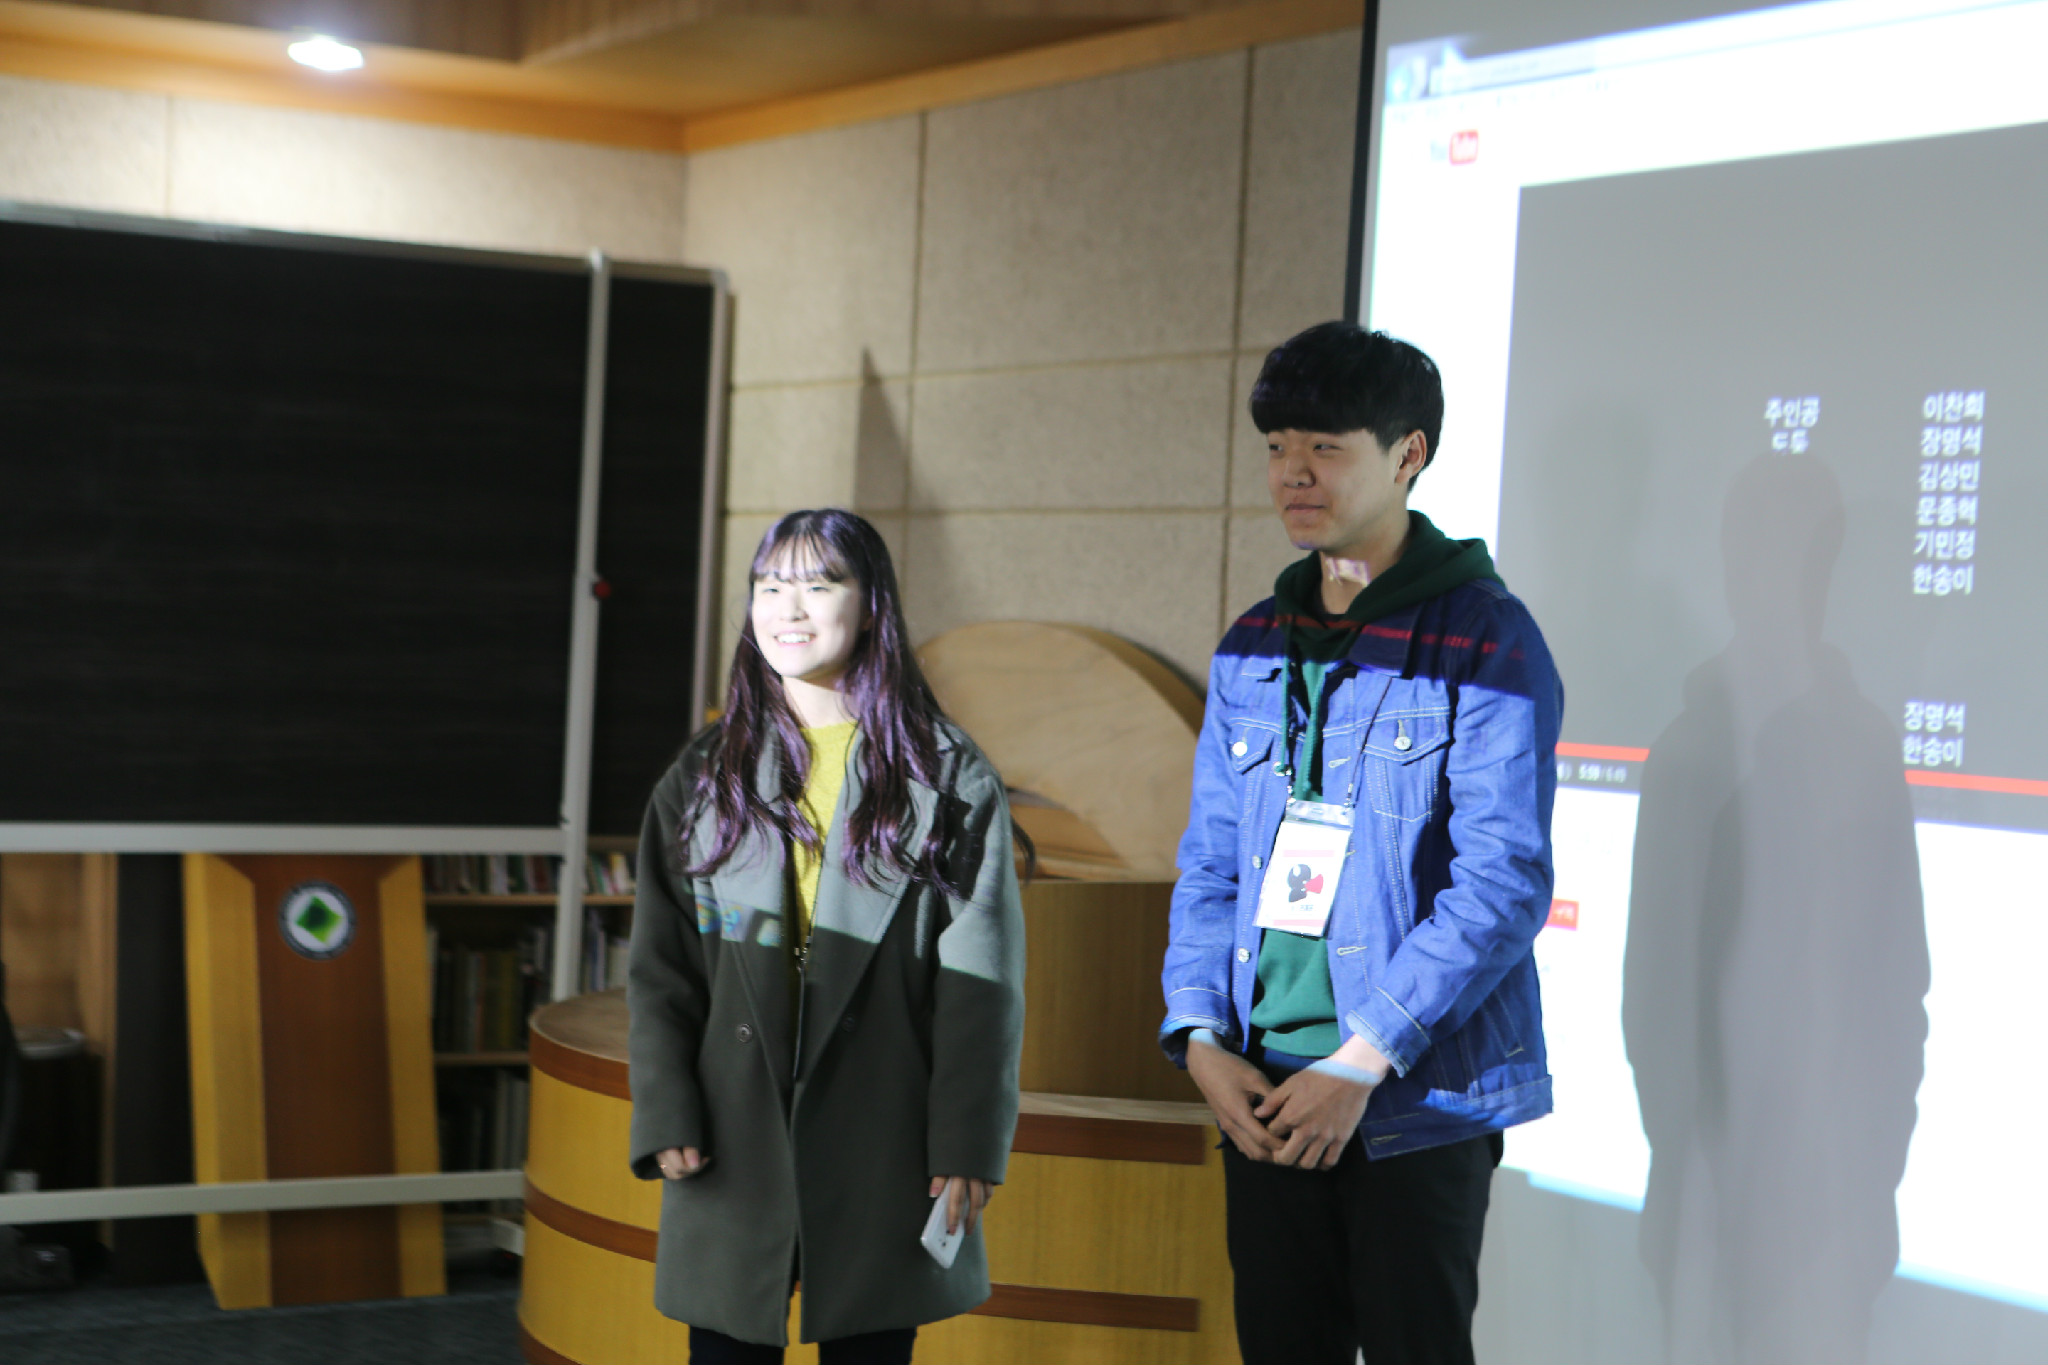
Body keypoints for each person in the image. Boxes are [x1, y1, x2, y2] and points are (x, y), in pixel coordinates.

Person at [1159, 322, 1564, 1365]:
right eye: (1276, 446)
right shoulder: (1254, 642)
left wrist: (1361, 1058)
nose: (1292, 472)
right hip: (1262, 1088)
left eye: (1324, 446)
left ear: (1406, 455)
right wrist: (1198, 1034)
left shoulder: (1483, 637)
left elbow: (1502, 883)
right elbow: (1210, 862)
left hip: (1409, 1098)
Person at [626, 509, 1026, 1364]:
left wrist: (968, 1141)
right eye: (769, 586)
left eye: (818, 584)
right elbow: (662, 970)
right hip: (731, 1123)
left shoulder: (949, 774)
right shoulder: (702, 775)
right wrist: (665, 1107)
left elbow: (981, 987)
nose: (788, 608)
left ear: (872, 604)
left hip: (886, 1125)